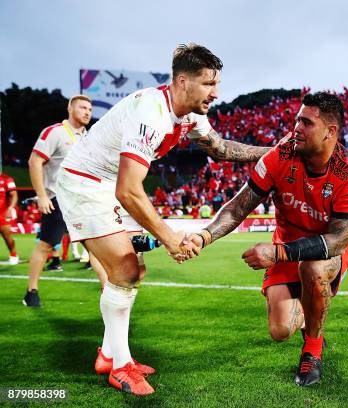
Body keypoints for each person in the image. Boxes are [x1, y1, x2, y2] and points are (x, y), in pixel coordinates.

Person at [55, 43, 270, 396]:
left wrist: (273, 152)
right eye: (208, 84)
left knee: (134, 271)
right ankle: (121, 367)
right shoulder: (150, 112)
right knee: (123, 270)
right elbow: (129, 190)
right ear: (182, 82)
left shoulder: (192, 116)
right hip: (86, 183)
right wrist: (170, 238)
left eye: (216, 84)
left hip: (113, 183)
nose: (216, 92)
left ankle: (109, 354)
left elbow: (220, 149)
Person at [186, 92, 348, 387]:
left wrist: (277, 253)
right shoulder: (280, 155)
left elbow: (337, 239)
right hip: (285, 242)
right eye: (297, 119)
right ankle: (312, 309)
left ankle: (313, 348)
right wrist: (205, 235)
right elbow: (239, 206)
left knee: (313, 270)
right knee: (280, 331)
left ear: (330, 132)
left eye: (307, 123)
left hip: (324, 251)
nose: (296, 127)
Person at [23, 95, 108, 306]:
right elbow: (35, 162)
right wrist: (42, 196)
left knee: (94, 248)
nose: (88, 112)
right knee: (45, 246)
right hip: (58, 199)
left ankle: (108, 291)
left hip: (83, 201)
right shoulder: (55, 132)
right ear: (70, 108)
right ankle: (31, 292)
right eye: (82, 107)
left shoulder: (89, 137)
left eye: (90, 109)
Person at [0, 172, 19, 264]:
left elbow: (14, 195)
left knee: (6, 235)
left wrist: (11, 208)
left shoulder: (7, 179)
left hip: (2, 213)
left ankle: (13, 254)